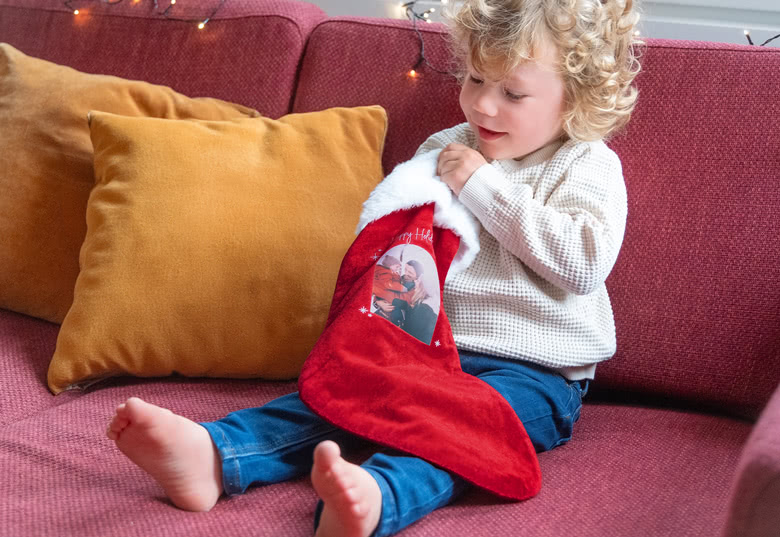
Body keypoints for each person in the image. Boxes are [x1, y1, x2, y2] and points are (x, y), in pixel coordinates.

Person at [106, 1, 641, 536]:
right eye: (476, 78)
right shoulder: (445, 147)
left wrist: (482, 187)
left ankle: (378, 496)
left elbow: (583, 263)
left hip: (535, 373)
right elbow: (404, 250)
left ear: (576, 98)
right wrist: (379, 340)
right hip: (427, 347)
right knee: (341, 391)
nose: (482, 104)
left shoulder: (585, 162)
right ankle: (218, 454)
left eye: (512, 93)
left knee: (456, 431)